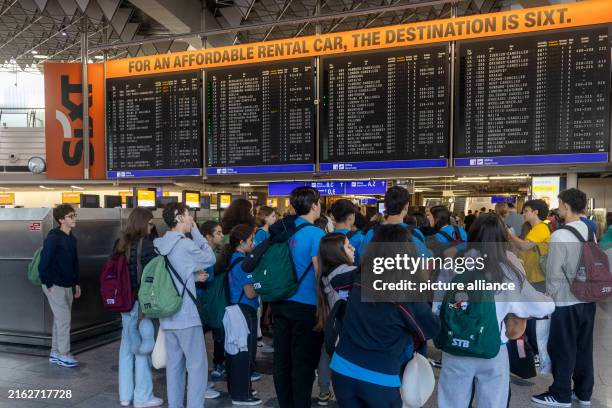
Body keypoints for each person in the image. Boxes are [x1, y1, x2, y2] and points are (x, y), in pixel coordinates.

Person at [437, 214, 555, 408]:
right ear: (503, 239)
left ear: (472, 235)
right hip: (492, 348)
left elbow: (438, 304)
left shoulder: (454, 264)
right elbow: (540, 306)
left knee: (451, 402)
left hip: (455, 347)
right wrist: (550, 298)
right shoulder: (508, 269)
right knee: (493, 403)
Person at [330, 225, 440, 407]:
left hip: (342, 368)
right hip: (380, 378)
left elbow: (336, 282)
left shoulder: (360, 277)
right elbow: (431, 329)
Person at [532, 189, 598, 407]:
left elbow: (553, 275)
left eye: (560, 205)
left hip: (565, 302)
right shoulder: (589, 231)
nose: (558, 209)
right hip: (588, 300)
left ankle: (560, 394)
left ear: (567, 207)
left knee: (563, 347)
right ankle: (583, 393)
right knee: (583, 347)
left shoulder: (559, 235)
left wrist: (547, 297)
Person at [154, 203, 216, 408]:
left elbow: (173, 274)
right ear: (179, 217)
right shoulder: (186, 244)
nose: (192, 220)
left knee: (174, 368)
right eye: (189, 215)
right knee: (197, 367)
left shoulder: (160, 244)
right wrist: (198, 233)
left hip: (168, 316)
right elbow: (210, 258)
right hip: (186, 315)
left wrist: (192, 278)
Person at [272, 186, 326, 408]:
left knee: (282, 361)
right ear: (314, 205)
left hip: (280, 303)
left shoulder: (282, 229)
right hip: (306, 307)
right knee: (303, 364)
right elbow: (318, 272)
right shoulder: (316, 234)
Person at [115, 208, 163, 408]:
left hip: (124, 304)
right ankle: (143, 397)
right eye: (150, 224)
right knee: (142, 349)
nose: (152, 227)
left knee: (126, 349)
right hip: (141, 306)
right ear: (143, 223)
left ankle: (125, 396)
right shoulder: (148, 246)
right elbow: (157, 277)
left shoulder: (119, 244)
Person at [315, 233, 357, 406]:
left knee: (326, 352)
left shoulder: (324, 273)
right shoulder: (348, 272)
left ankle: (324, 391)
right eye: (348, 246)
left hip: (332, 324)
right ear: (336, 253)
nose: (353, 248)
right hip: (347, 327)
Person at [222, 225, 262, 406]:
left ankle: (238, 388)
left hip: (233, 309)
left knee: (234, 351)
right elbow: (251, 293)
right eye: (251, 240)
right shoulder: (244, 264)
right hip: (244, 311)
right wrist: (262, 284)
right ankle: (241, 394)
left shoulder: (232, 258)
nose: (253, 243)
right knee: (244, 353)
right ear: (241, 242)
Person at [39, 204, 81, 368]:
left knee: (60, 320)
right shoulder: (54, 237)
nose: (74, 218)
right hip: (54, 284)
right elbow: (44, 263)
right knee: (64, 320)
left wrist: (76, 282)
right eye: (71, 216)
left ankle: (55, 352)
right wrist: (48, 283)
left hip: (67, 285)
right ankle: (64, 354)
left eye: (74, 215)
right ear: (61, 220)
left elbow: (74, 262)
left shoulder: (72, 238)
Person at [360, 186, 430, 259]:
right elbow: (423, 261)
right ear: (406, 206)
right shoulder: (415, 233)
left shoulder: (372, 233)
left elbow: (362, 260)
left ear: (385, 206)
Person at [198, 221, 226, 392]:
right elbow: (205, 277)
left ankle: (217, 365)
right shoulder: (204, 254)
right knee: (199, 341)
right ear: (208, 236)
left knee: (216, 333)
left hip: (209, 300)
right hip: (203, 301)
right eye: (218, 233)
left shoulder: (214, 252)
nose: (222, 236)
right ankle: (202, 378)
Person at [508, 199, 551, 292]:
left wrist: (510, 235)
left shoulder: (541, 228)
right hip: (533, 276)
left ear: (535, 212)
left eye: (526, 211)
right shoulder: (533, 229)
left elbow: (524, 246)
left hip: (539, 277)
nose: (523, 214)